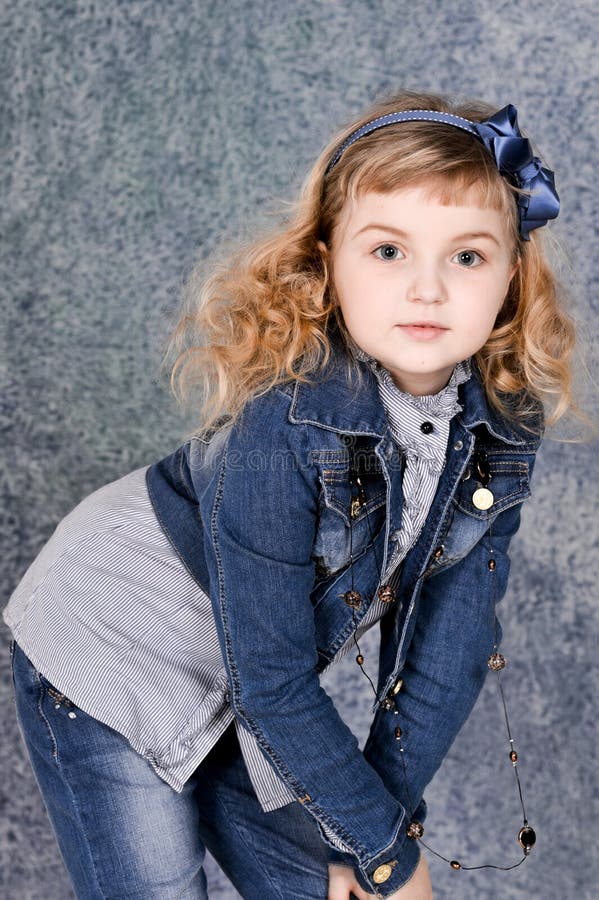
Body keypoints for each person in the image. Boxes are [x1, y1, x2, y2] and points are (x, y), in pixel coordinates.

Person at [4, 90, 576, 900]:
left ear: (511, 276)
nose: (426, 289)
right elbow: (272, 684)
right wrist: (387, 855)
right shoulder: (287, 424)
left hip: (250, 674)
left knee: (331, 885)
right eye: (387, 252)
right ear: (326, 262)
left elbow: (445, 657)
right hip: (113, 644)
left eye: (466, 256)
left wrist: (377, 842)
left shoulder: (498, 429)